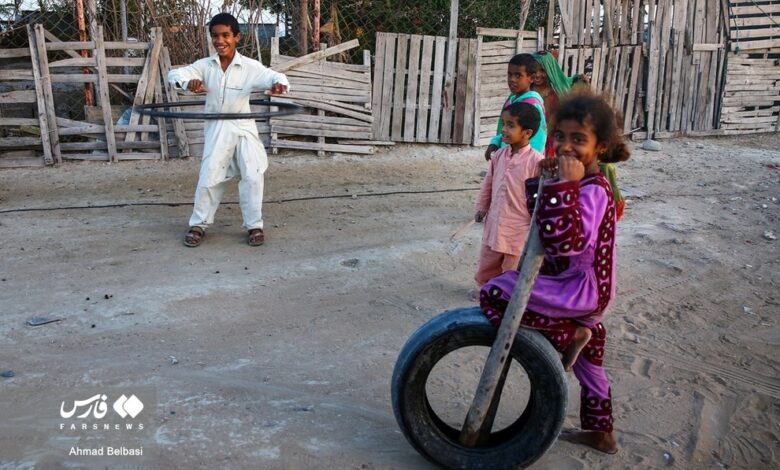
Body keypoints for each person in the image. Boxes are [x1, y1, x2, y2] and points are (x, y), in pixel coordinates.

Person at [479, 89, 630, 455]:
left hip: (580, 287)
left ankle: (570, 334)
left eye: (579, 140)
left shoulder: (595, 190)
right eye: (560, 136)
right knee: (591, 368)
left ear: (602, 148)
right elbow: (541, 222)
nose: (565, 147)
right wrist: (545, 183)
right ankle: (601, 433)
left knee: (495, 293)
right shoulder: (579, 181)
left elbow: (563, 242)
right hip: (575, 284)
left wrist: (565, 185)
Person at [168, 13, 290, 247]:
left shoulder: (249, 67)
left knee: (253, 174)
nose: (220, 41)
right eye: (215, 36)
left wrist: (279, 85)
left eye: (226, 35)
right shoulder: (204, 66)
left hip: (244, 127)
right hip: (217, 128)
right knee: (210, 175)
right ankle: (198, 224)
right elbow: (175, 74)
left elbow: (274, 76)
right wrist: (188, 83)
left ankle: (254, 226)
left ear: (236, 37)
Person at [532, 50, 626, 220]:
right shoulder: (526, 93)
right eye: (534, 71)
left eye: (542, 70)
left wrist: (566, 186)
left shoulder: (595, 190)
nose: (537, 75)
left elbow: (566, 235)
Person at [474, 102, 544, 288]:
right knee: (487, 264)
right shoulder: (499, 155)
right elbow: (488, 183)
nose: (503, 130)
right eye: (503, 124)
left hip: (518, 228)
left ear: (527, 133)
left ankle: (505, 298)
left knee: (511, 267)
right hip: (495, 221)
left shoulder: (537, 162)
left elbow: (541, 199)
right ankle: (485, 291)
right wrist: (481, 207)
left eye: (510, 125)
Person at [484, 54, 546, 160]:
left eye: (518, 75)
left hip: (522, 162)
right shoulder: (512, 99)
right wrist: (495, 143)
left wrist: (527, 162)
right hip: (508, 156)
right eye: (509, 74)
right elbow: (507, 128)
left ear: (531, 78)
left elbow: (538, 138)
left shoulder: (532, 104)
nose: (512, 79)